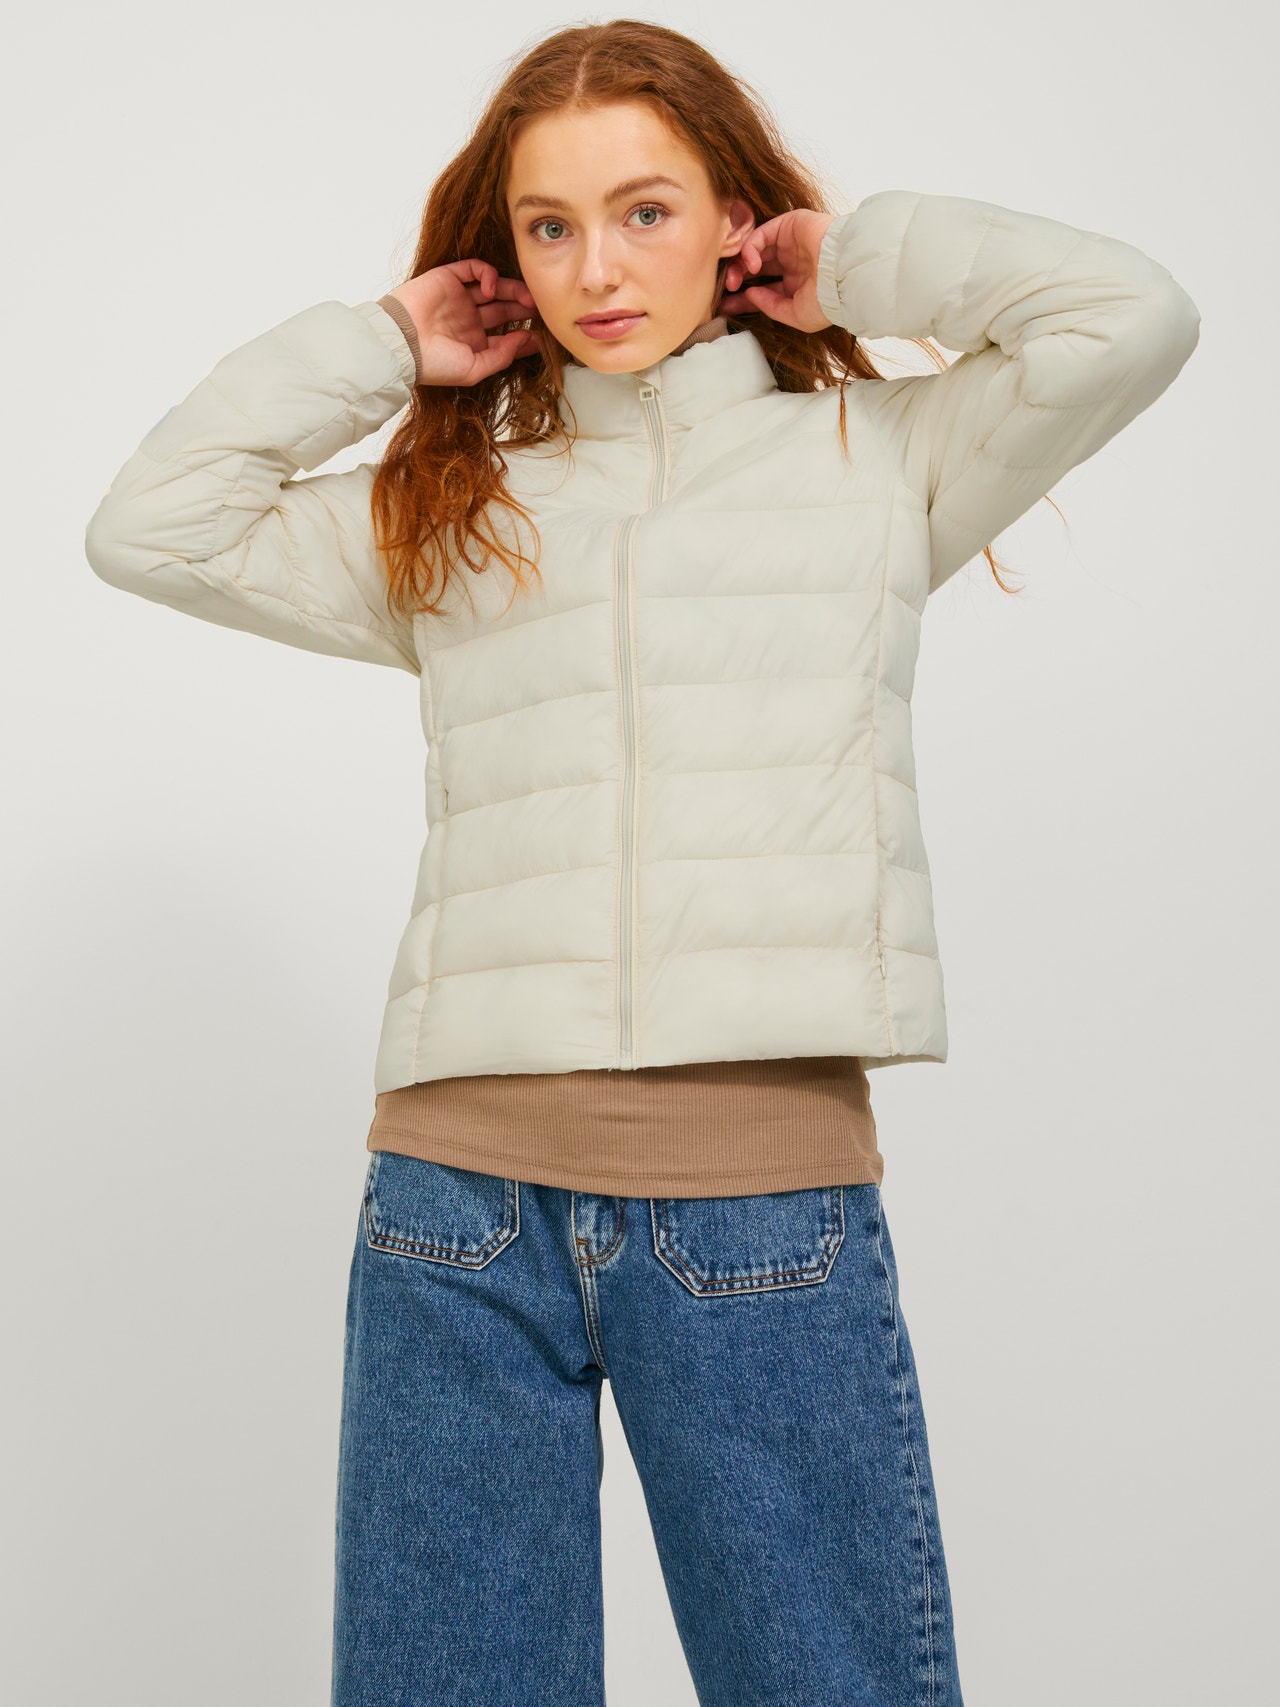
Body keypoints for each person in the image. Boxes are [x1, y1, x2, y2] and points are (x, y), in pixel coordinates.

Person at [83, 18, 1200, 1707]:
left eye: (646, 212)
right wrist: (383, 347)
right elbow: (151, 525)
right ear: (506, 253)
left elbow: (1135, 315)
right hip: (453, 1214)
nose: (597, 269)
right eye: (550, 226)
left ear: (734, 218)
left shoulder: (878, 462)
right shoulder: (455, 506)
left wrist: (856, 262)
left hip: (758, 1204)